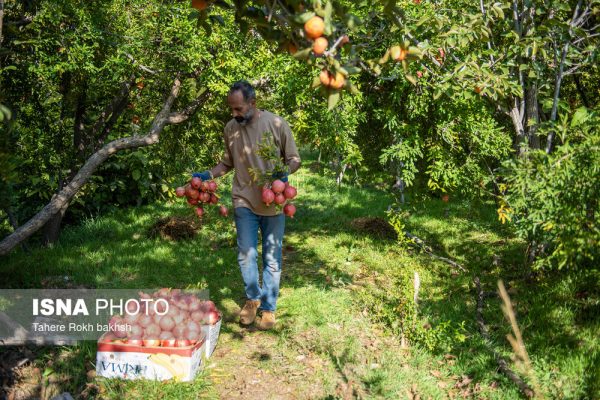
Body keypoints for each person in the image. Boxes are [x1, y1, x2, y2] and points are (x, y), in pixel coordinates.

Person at [192, 81, 301, 330]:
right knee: (246, 254)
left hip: (273, 202)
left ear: (253, 103)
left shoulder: (276, 124)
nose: (234, 114)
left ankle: (269, 307)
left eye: (239, 109)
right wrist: (207, 175)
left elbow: (294, 159)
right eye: (231, 109)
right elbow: (227, 164)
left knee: (272, 257)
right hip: (243, 198)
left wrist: (283, 174)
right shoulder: (231, 128)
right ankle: (253, 298)